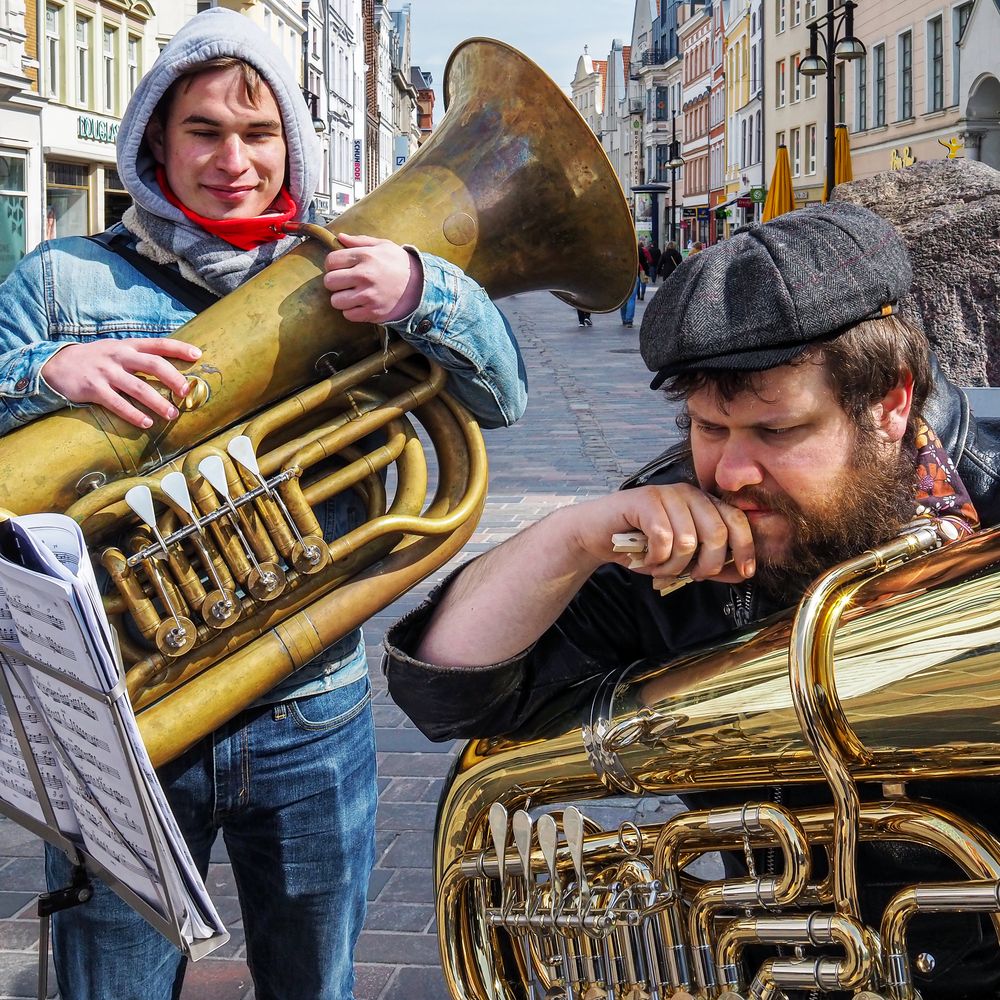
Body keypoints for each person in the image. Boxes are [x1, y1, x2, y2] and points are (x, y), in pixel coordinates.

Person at [0, 10, 526, 1000]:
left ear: (292, 139)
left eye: (258, 133)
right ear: (157, 139)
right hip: (120, 716)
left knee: (314, 982)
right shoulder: (60, 281)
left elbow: (502, 401)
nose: (232, 159)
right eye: (203, 131)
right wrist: (47, 368)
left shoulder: (352, 274)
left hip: (310, 710)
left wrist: (427, 290)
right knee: (106, 982)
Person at [382, 202, 1000, 998]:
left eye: (775, 433)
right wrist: (572, 539)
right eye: (710, 428)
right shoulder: (680, 529)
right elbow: (448, 693)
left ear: (888, 403)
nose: (730, 473)